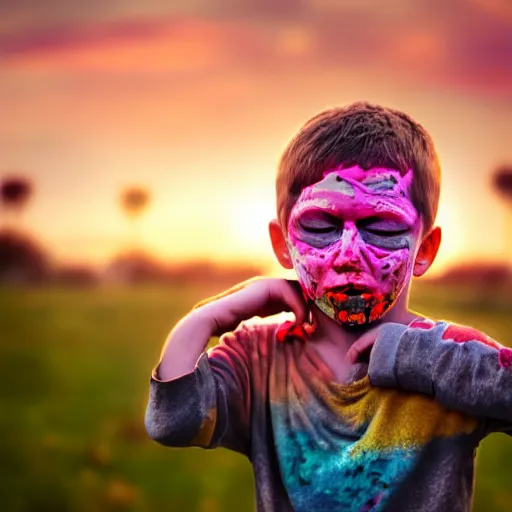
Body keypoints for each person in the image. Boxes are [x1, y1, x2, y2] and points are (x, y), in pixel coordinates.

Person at [145, 102, 512, 512]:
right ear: (283, 244)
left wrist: (415, 356)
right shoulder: (262, 357)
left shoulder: (449, 355)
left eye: (382, 227)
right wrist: (211, 315)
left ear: (424, 249)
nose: (348, 253)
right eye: (320, 226)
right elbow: (171, 421)